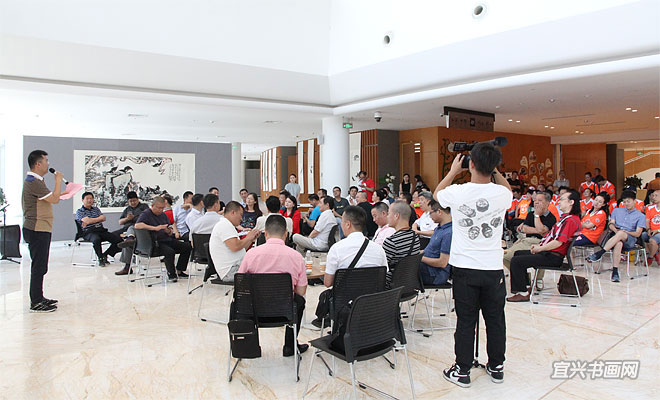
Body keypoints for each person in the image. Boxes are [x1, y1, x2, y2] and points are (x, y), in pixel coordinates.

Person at [433, 142, 512, 388]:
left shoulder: (458, 191)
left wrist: (453, 172)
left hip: (465, 268)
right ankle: (496, 366)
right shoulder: (502, 194)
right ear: (494, 166)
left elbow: (436, 194)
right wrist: (494, 169)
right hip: (493, 268)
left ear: (471, 164)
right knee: (495, 319)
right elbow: (508, 189)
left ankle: (462, 370)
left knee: (466, 321)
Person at [237, 214, 309, 357]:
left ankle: (249, 346)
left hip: (255, 312)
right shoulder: (296, 256)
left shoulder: (251, 254)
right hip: (285, 312)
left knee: (242, 301)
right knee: (299, 301)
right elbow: (301, 291)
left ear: (266, 233)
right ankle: (290, 346)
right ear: (286, 233)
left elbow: (240, 284)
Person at [311, 206, 388, 328]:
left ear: (348, 224)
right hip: (372, 304)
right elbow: (383, 276)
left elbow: (327, 282)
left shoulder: (337, 249)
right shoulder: (379, 249)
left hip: (344, 305)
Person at [507, 189, 581, 302]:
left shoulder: (570, 220)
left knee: (516, 261)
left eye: (562, 199)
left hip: (553, 256)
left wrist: (540, 248)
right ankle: (526, 287)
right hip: (549, 253)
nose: (559, 202)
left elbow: (558, 242)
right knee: (517, 254)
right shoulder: (566, 218)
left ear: (571, 202)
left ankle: (522, 293)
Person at [22, 150, 65, 312]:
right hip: (37, 228)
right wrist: (58, 181)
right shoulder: (33, 181)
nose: (48, 164)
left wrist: (61, 193)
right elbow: (54, 199)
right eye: (46, 161)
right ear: (38, 164)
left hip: (41, 228)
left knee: (41, 266)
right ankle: (36, 302)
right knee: (38, 266)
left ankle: (39, 297)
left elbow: (50, 198)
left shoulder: (37, 181)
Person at [586, 191, 646, 282]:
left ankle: (600, 253)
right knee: (618, 243)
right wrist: (616, 231)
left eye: (628, 201)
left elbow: (637, 233)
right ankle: (615, 272)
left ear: (634, 201)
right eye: (624, 201)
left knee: (621, 234)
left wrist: (625, 232)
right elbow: (611, 224)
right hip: (615, 236)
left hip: (630, 238)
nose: (626, 204)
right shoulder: (617, 211)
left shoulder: (640, 216)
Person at [503, 191, 556, 290]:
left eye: (540, 200)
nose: (536, 203)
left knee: (541, 254)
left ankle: (539, 278)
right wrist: (539, 230)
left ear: (547, 203)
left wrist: (537, 216)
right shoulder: (530, 214)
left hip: (541, 242)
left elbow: (542, 232)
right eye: (535, 200)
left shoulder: (551, 218)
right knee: (506, 256)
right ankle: (523, 276)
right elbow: (525, 229)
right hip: (526, 240)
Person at [135, 196, 192, 282]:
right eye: (159, 208)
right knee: (170, 252)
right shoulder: (146, 214)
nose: (160, 210)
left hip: (167, 239)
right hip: (155, 242)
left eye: (162, 208)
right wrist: (155, 228)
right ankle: (171, 274)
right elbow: (137, 225)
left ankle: (180, 270)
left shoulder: (163, 215)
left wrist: (168, 231)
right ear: (153, 206)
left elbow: (170, 231)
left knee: (187, 246)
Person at [209, 201, 260, 281]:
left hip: (235, 266)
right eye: (240, 215)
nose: (241, 219)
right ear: (233, 213)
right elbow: (235, 247)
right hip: (231, 271)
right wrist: (248, 237)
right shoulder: (224, 225)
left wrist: (250, 239)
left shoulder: (227, 225)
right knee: (263, 273)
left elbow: (240, 248)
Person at [75, 192, 122, 266]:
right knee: (96, 239)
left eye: (91, 198)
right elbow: (88, 220)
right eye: (87, 199)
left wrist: (91, 220)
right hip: (88, 232)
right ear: (83, 200)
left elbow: (103, 218)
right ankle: (100, 259)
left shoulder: (96, 209)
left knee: (119, 241)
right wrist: (97, 219)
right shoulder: (80, 211)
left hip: (100, 230)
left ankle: (105, 254)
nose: (89, 200)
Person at [382, 201, 420, 283]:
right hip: (408, 283)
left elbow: (380, 266)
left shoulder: (391, 241)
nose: (387, 217)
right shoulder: (415, 236)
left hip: (389, 284)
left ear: (396, 216)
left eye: (389, 214)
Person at [114, 191, 150, 276]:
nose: (133, 203)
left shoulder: (144, 207)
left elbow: (148, 218)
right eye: (131, 201)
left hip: (140, 229)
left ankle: (127, 267)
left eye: (134, 201)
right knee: (113, 237)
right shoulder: (127, 209)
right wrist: (127, 219)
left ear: (137, 199)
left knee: (129, 236)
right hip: (126, 229)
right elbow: (120, 222)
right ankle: (108, 254)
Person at [419, 201, 452, 286]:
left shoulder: (448, 233)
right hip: (427, 268)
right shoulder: (439, 229)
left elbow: (443, 263)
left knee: (404, 270)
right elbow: (428, 250)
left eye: (430, 213)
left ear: (439, 212)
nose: (430, 216)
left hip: (435, 275)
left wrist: (419, 258)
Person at [643, 190, 660, 266]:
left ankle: (650, 257)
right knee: (643, 235)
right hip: (651, 230)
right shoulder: (650, 208)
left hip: (658, 231)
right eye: (653, 195)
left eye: (656, 196)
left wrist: (657, 230)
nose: (654, 197)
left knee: (652, 240)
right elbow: (647, 221)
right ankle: (655, 253)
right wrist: (648, 229)